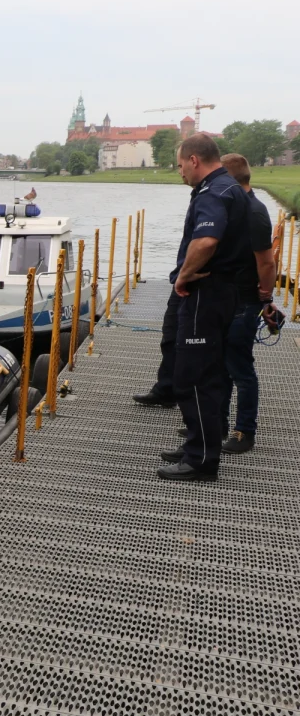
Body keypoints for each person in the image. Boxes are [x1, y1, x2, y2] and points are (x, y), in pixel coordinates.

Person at [143, 134, 250, 481]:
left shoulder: (212, 192)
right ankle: (198, 444)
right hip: (223, 294)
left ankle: (201, 460)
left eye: (179, 165)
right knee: (211, 372)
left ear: (193, 160)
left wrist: (183, 276)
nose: (179, 173)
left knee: (195, 375)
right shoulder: (231, 189)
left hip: (206, 293)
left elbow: (206, 239)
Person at [210, 154, 278, 454]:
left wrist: (265, 298)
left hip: (246, 299)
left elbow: (266, 260)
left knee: (240, 368)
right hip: (228, 296)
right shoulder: (236, 207)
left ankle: (244, 431)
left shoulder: (254, 212)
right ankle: (219, 424)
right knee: (222, 365)